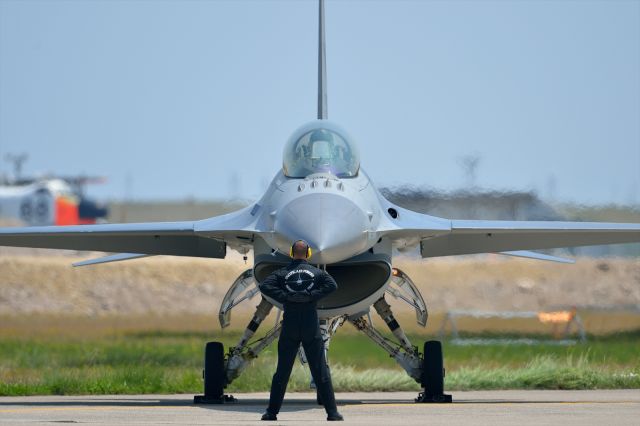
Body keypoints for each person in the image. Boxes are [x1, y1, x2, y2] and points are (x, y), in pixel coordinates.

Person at [259, 239, 343, 421]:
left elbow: (264, 286)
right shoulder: (317, 273)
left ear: (291, 253)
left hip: (290, 323)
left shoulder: (282, 273)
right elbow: (332, 285)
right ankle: (333, 413)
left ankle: (271, 413)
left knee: (282, 371)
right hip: (310, 324)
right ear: (308, 254)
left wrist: (287, 297)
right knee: (320, 370)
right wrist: (310, 296)